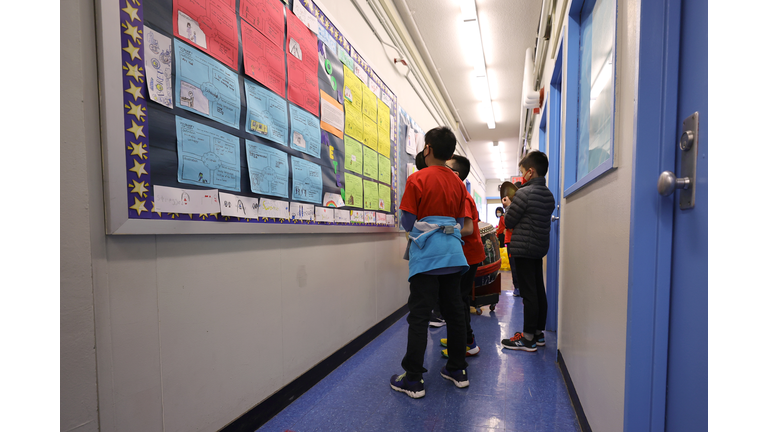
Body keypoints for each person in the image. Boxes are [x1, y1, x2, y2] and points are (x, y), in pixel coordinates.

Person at [390, 127, 471, 398]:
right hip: (453, 254)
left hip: (427, 254)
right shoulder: (459, 184)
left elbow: (407, 222)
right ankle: (457, 370)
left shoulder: (417, 179)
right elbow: (459, 224)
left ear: (428, 149)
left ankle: (413, 379)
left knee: (420, 316)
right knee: (455, 312)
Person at [500, 151, 555, 352]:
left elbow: (509, 221)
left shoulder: (523, 193)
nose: (522, 176)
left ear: (530, 172)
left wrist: (508, 207)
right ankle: (539, 334)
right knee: (539, 290)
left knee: (528, 293)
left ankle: (528, 338)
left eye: (523, 172)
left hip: (523, 248)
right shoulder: (548, 195)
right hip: (539, 248)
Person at [437, 154, 486, 359]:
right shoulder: (458, 194)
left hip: (469, 255)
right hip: (465, 254)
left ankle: (467, 342)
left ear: (454, 174)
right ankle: (460, 337)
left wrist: (441, 229)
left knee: (459, 300)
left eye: (445, 167)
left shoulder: (463, 197)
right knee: (459, 298)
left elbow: (466, 228)